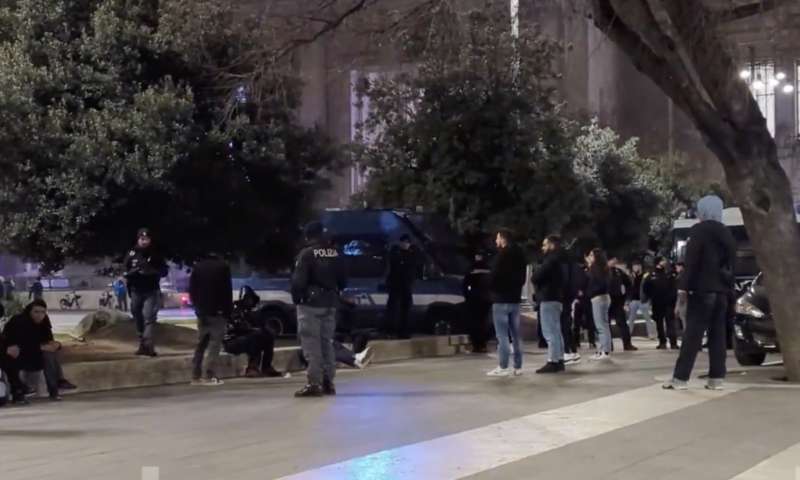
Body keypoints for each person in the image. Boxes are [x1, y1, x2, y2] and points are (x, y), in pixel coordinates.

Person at [664, 195, 736, 391]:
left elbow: (692, 262)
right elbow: (731, 264)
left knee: (692, 336)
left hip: (702, 290)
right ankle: (716, 379)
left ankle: (680, 379)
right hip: (721, 291)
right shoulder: (726, 233)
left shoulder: (698, 231)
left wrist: (683, 289)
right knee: (718, 336)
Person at [291, 222, 347, 398]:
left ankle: (314, 383)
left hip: (311, 304)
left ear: (309, 236)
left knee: (311, 344)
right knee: (327, 343)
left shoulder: (307, 254)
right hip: (330, 303)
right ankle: (328, 381)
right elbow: (343, 281)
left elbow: (299, 282)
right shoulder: (335, 253)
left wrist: (298, 299)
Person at [2, 300, 77, 401]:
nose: (40, 315)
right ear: (29, 312)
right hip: (19, 355)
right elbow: (18, 345)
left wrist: (56, 345)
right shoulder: (19, 321)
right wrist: (40, 347)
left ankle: (54, 390)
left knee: (49, 353)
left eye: (42, 312)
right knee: (47, 353)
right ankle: (57, 383)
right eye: (36, 312)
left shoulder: (44, 321)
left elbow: (48, 340)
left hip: (35, 355)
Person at [486, 229, 527, 377]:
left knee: (502, 336)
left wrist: (491, 289)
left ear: (503, 239)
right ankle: (518, 366)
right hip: (515, 299)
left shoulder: (501, 256)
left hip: (501, 299)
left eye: (497, 238)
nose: (496, 241)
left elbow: (493, 277)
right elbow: (522, 278)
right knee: (516, 335)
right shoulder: (520, 255)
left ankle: (503, 366)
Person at [189, 253, 233, 386]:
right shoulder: (223, 267)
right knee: (214, 344)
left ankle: (195, 375)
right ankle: (208, 374)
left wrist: (197, 308)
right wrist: (227, 310)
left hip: (202, 311)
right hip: (217, 311)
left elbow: (192, 290)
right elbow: (226, 290)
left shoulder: (197, 267)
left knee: (201, 343)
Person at [124, 228, 168, 357]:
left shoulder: (156, 254)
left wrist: (152, 272)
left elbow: (164, 271)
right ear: (138, 239)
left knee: (149, 317)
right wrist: (132, 273)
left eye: (146, 239)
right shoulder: (131, 253)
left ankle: (148, 345)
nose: (144, 241)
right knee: (137, 316)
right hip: (136, 290)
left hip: (151, 290)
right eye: (142, 239)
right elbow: (125, 269)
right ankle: (142, 344)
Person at [223, 287, 283, 378]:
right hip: (232, 340)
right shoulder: (236, 311)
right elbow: (239, 327)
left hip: (247, 338)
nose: (251, 303)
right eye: (249, 300)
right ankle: (252, 368)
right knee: (255, 337)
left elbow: (259, 326)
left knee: (268, 336)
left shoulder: (250, 312)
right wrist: (254, 330)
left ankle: (266, 367)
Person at [531, 235, 568, 373]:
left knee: (549, 331)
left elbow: (536, 276)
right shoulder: (561, 260)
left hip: (548, 298)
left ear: (552, 245)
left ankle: (552, 361)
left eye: (545, 244)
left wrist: (535, 276)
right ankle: (559, 360)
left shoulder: (551, 260)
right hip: (557, 298)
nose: (542, 247)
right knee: (556, 331)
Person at [385, 234, 418, 339]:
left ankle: (404, 331)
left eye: (407, 242)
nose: (405, 244)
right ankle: (390, 330)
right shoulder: (395, 253)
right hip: (396, 285)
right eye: (403, 242)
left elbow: (416, 266)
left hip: (406, 286)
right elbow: (393, 266)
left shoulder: (412, 254)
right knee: (393, 309)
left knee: (406, 310)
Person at [645, 257, 679, 350]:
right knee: (659, 323)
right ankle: (662, 342)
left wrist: (673, 299)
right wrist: (651, 296)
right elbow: (646, 287)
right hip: (657, 303)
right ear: (658, 262)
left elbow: (674, 287)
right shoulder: (652, 274)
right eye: (662, 261)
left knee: (670, 323)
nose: (665, 262)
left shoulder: (669, 273)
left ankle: (673, 343)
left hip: (669, 303)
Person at [463, 251, 492, 353]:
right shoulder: (489, 268)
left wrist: (467, 296)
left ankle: (476, 345)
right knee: (484, 322)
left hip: (474, 299)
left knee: (475, 323)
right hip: (486, 299)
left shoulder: (471, 269)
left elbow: (465, 285)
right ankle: (483, 344)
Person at [586, 248, 612, 360]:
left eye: (591, 255)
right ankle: (603, 350)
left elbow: (595, 284)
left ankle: (604, 351)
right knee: (604, 325)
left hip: (598, 298)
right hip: (603, 297)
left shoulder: (596, 269)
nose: (589, 257)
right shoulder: (602, 268)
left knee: (601, 326)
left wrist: (590, 292)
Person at [608, 257, 636, 351]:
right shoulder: (603, 271)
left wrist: (627, 298)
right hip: (606, 300)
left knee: (622, 323)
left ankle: (627, 344)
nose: (614, 262)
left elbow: (628, 284)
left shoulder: (619, 272)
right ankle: (608, 345)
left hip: (618, 300)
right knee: (606, 324)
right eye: (612, 260)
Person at [627, 260, 653, 339]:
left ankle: (651, 334)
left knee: (647, 318)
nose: (635, 268)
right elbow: (628, 288)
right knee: (631, 318)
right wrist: (627, 301)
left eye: (636, 266)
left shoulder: (645, 276)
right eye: (634, 266)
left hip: (643, 300)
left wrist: (649, 299)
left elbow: (649, 287)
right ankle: (628, 335)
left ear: (640, 266)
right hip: (633, 300)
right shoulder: (631, 276)